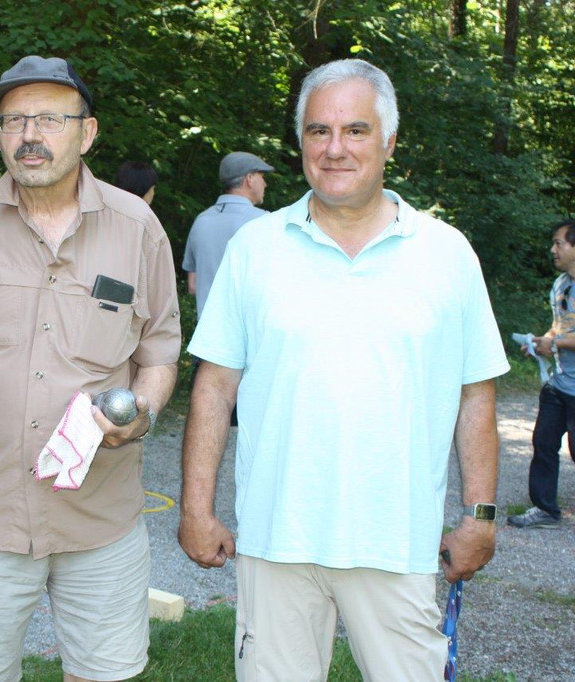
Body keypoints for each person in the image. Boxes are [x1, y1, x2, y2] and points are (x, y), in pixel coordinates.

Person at [178, 59, 509, 680]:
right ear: (300, 141)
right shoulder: (256, 249)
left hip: (395, 542)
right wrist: (196, 508)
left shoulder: (446, 253)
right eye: (318, 131)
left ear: (389, 141)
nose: (335, 149)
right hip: (277, 540)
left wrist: (480, 516)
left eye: (355, 130)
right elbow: (215, 387)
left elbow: (476, 395)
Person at [0, 55, 181, 682]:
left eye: (51, 119)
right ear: (0, 134)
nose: (30, 135)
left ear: (87, 133)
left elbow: (159, 353)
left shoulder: (138, 229)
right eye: (14, 120)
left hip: (100, 519)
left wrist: (140, 412)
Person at [508, 218, 575, 529]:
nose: (552, 249)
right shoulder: (561, 284)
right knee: (543, 442)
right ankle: (545, 509)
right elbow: (560, 327)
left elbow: (562, 338)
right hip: (558, 384)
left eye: (558, 243)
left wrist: (555, 344)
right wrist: (541, 343)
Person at [182, 151, 273, 321]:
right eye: (262, 176)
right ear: (250, 179)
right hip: (250, 332)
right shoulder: (265, 222)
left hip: (208, 331)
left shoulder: (201, 221)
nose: (265, 184)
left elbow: (193, 285)